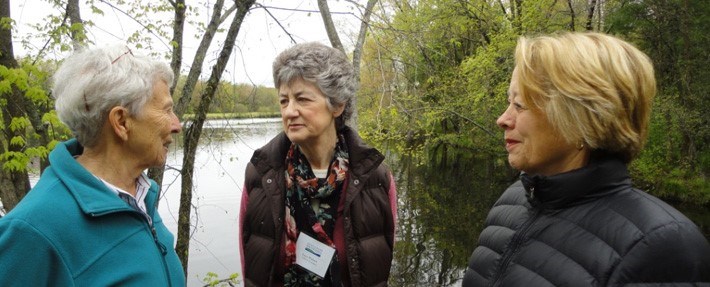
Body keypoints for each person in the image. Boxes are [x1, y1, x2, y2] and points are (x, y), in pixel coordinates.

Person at [463, 32, 710, 286]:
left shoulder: (664, 249)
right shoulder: (513, 200)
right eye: (509, 102)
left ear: (581, 119)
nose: (502, 119)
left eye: (519, 104)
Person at [0, 45, 185, 286]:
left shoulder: (139, 197)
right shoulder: (32, 230)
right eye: (167, 110)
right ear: (121, 121)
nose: (176, 124)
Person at [239, 42, 397, 286]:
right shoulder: (262, 174)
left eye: (302, 99)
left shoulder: (374, 177)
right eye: (284, 101)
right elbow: (249, 268)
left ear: (337, 105)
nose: (289, 111)